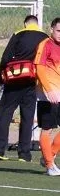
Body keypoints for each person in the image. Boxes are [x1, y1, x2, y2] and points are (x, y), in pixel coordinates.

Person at [0, 15, 47, 161]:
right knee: (27, 117)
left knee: (4, 114)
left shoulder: (18, 34)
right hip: (32, 81)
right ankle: (24, 153)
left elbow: (5, 58)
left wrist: (1, 78)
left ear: (25, 24)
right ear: (37, 24)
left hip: (14, 80)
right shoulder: (45, 38)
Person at [33, 18, 60, 176]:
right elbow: (39, 68)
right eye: (58, 31)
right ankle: (50, 165)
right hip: (47, 95)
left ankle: (49, 155)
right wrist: (48, 90)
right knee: (47, 129)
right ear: (51, 30)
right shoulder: (45, 44)